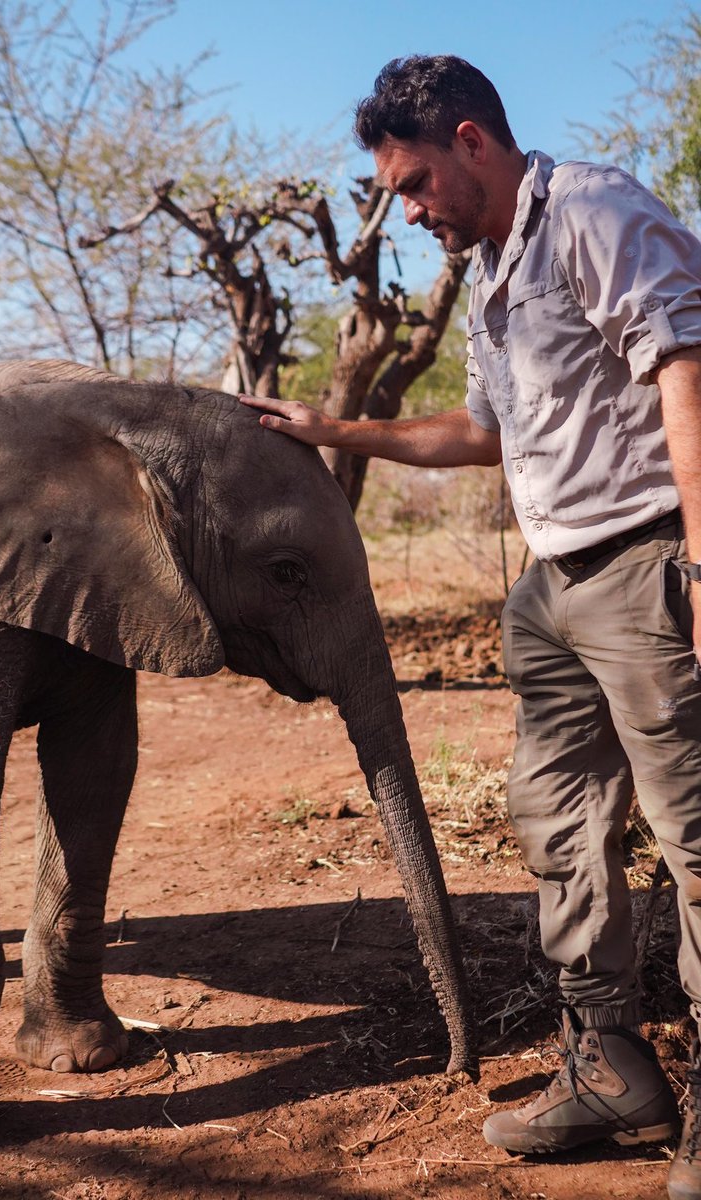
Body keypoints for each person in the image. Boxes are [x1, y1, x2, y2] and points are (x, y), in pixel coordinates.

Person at [240, 54, 701, 1196]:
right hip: (552, 589)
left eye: (411, 185)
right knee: (558, 824)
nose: (405, 212)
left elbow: (686, 365)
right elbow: (481, 435)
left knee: (693, 830)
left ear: (469, 141)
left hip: (645, 563)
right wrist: (330, 432)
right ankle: (611, 1068)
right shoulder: (491, 270)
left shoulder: (590, 209)